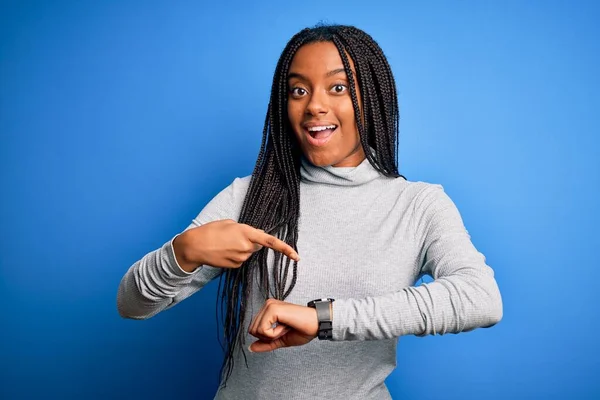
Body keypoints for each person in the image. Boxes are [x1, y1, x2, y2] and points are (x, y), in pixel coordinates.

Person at [117, 24, 503, 400]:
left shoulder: (417, 205)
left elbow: (480, 298)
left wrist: (324, 318)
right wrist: (182, 252)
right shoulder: (249, 198)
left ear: (374, 98)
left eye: (338, 88)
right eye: (298, 90)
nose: (314, 105)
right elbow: (132, 304)